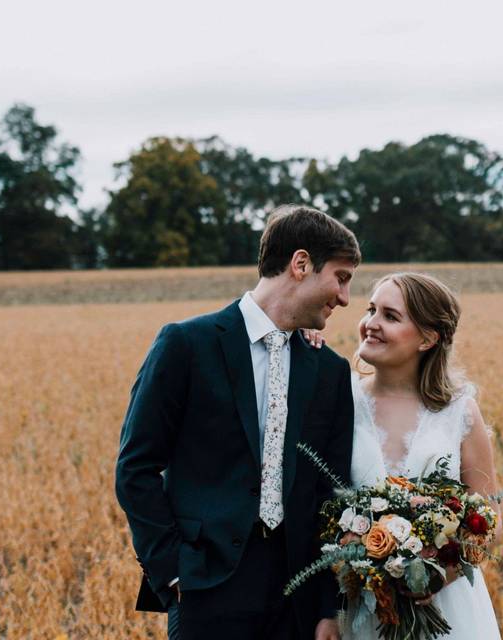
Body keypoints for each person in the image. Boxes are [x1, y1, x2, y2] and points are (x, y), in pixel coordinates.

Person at [115, 204, 361, 640]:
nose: (344, 298)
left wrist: (329, 605)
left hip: (298, 598)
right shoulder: (188, 344)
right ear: (301, 264)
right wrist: (173, 573)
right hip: (205, 586)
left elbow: (332, 493)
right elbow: (135, 468)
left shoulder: (329, 370)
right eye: (341, 278)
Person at [305, 272, 503, 640]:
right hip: (358, 610)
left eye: (390, 316)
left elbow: (487, 519)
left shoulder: (460, 411)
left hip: (446, 611)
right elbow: (314, 510)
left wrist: (434, 577)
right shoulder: (339, 400)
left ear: (428, 338)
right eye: (371, 310)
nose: (370, 325)